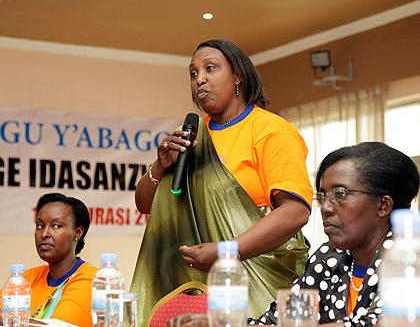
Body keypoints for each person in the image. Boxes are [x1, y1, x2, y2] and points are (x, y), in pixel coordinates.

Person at [131, 39, 313, 325]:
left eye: (210, 69)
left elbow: (295, 211)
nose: (199, 79)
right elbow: (144, 204)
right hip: (188, 286)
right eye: (193, 73)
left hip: (254, 282)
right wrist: (161, 164)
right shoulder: (190, 136)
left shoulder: (271, 131)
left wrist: (227, 252)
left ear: (238, 75)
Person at [249, 142, 420, 326]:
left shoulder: (409, 260)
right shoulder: (328, 257)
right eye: (322, 197)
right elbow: (276, 321)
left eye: (340, 194)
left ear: (382, 205)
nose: (325, 208)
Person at [0, 193, 98, 326]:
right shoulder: (25, 279)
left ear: (78, 233)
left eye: (56, 226)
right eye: (40, 226)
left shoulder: (91, 279)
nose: (44, 234)